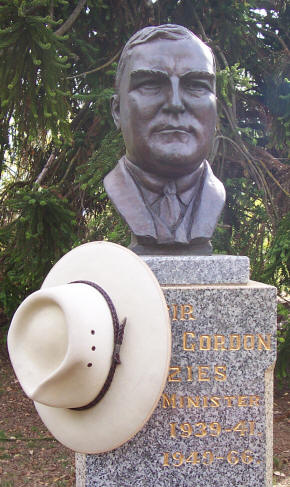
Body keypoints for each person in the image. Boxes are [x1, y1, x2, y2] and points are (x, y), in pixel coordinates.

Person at [104, 24, 225, 255]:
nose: (175, 104)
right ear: (117, 110)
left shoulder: (215, 194)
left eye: (197, 86)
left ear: (215, 110)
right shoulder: (115, 187)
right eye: (150, 85)